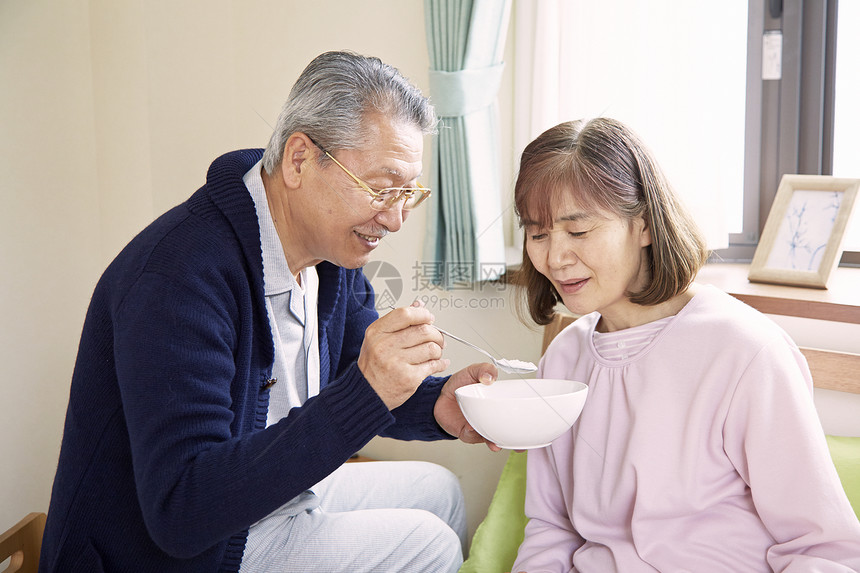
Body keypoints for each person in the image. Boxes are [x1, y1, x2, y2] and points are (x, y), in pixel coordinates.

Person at [39, 51, 499, 573]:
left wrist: (440, 404)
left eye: (407, 193)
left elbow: (356, 374)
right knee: (427, 543)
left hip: (262, 496)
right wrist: (368, 388)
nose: (394, 219)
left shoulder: (330, 256)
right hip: (178, 548)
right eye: (381, 187)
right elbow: (182, 509)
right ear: (300, 159)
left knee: (438, 490)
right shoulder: (178, 278)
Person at [509, 118, 860, 572]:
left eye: (578, 232)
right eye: (537, 234)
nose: (554, 257)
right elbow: (551, 527)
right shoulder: (564, 357)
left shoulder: (745, 352)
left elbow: (824, 550)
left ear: (645, 226)